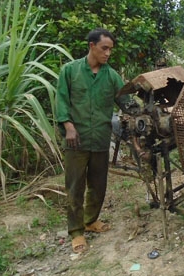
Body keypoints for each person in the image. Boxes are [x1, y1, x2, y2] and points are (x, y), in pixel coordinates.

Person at [56, 28, 129, 253]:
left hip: (100, 138)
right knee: (75, 186)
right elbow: (61, 101)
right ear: (91, 46)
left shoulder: (111, 76)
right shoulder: (70, 71)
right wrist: (68, 126)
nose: (108, 53)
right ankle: (76, 232)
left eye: (110, 50)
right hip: (75, 140)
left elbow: (125, 101)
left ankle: (90, 220)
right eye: (104, 48)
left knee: (98, 185)